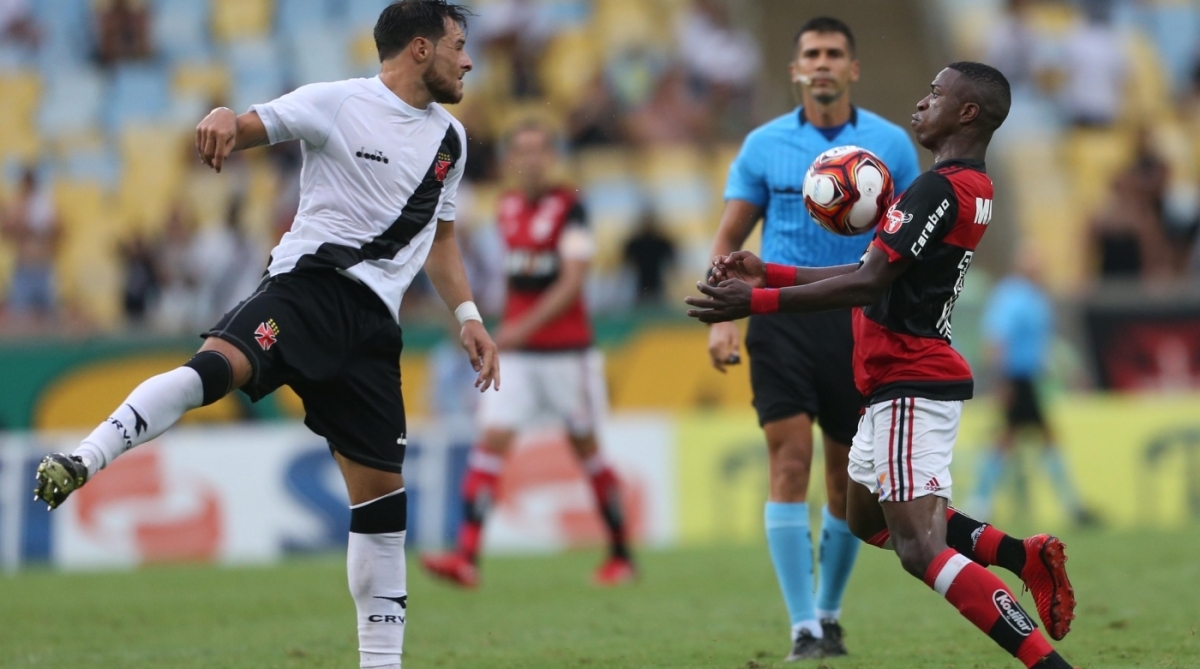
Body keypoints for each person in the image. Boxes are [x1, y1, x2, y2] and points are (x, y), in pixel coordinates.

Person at [33, 4, 498, 669]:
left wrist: (469, 316)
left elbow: (442, 240)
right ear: (421, 49)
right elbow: (251, 124)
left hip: (372, 332)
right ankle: (84, 457)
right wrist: (226, 118)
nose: (469, 60)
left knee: (383, 501)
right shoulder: (337, 103)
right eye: (459, 45)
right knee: (217, 369)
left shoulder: (451, 139)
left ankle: (382, 663)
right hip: (306, 292)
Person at [688, 62, 1079, 669]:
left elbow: (869, 281)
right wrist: (772, 272)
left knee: (919, 549)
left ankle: (1046, 664)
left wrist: (757, 302)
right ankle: (1024, 558)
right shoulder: (967, 186)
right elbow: (874, 269)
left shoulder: (937, 190)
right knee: (863, 517)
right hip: (896, 383)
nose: (921, 103)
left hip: (908, 378)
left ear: (967, 113)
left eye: (935, 94)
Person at [704, 16, 920, 660]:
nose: (821, 63)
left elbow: (909, 244)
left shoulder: (891, 145)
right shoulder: (763, 145)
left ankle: (829, 614)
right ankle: (801, 627)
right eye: (811, 54)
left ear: (853, 68)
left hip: (858, 321)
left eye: (833, 54)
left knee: (843, 480)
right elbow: (727, 241)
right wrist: (723, 319)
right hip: (777, 319)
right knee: (788, 461)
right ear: (796, 69)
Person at [421, 121, 635, 588]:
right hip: (516, 356)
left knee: (587, 452)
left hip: (567, 355)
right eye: (522, 150)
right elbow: (515, 282)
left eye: (539, 149)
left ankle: (622, 555)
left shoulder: (572, 209)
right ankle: (467, 558)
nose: (532, 159)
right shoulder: (508, 207)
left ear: (552, 156)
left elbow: (572, 281)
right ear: (512, 159)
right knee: (489, 444)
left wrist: (516, 329)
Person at [968, 250, 1094, 526]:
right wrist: (1001, 381)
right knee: (1015, 439)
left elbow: (1040, 343)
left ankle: (980, 503)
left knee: (1010, 439)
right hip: (1016, 378)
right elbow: (996, 340)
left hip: (1027, 379)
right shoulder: (1012, 297)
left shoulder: (1033, 297)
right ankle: (1071, 505)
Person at [1, 166, 61, 325]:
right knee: (21, 318)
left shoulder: (44, 204)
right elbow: (7, 229)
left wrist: (27, 227)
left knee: (48, 318)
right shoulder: (18, 204)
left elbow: (55, 229)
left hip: (42, 266)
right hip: (24, 267)